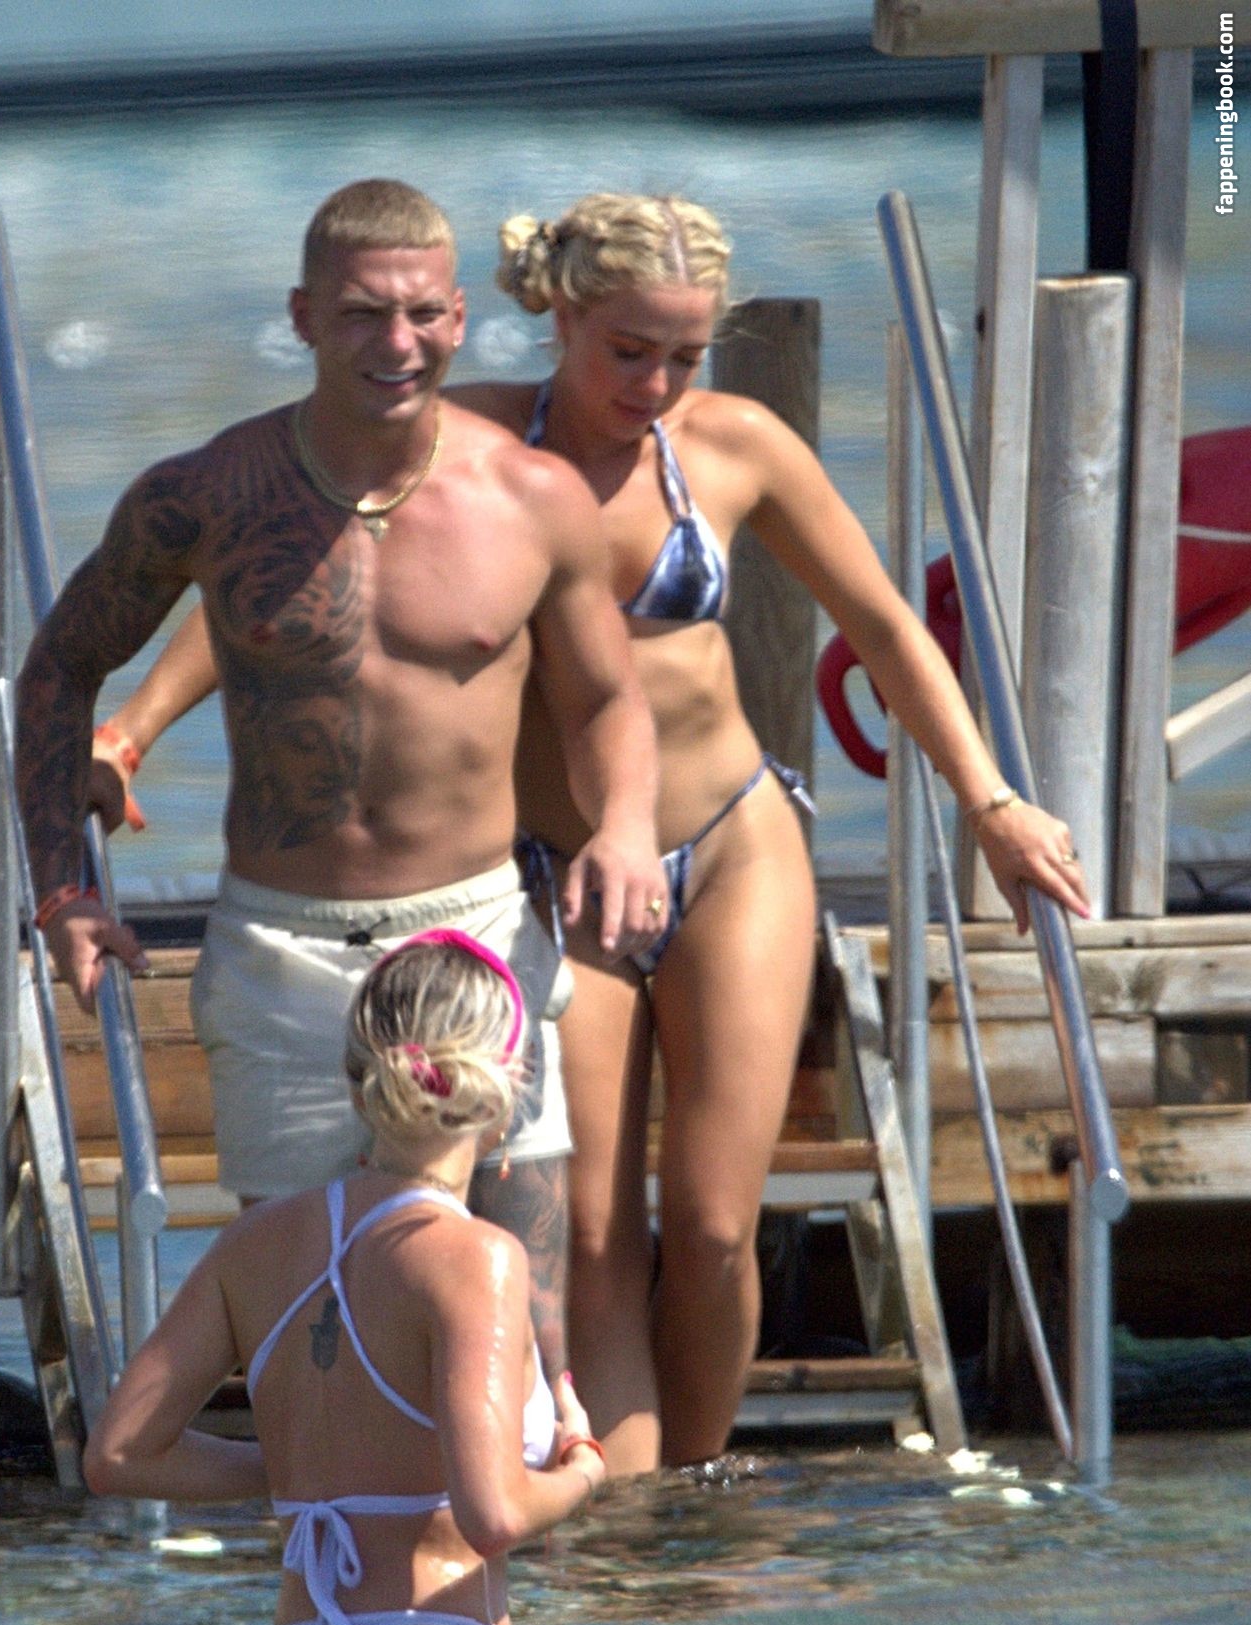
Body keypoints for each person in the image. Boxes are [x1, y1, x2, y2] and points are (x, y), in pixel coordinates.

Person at [89, 191, 1092, 1474]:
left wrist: (991, 803)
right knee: (598, 1232)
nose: (655, 384)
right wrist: (132, 730)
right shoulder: (464, 442)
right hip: (558, 879)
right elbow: (285, 585)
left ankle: (692, 1496)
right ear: (558, 318)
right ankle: (613, 1519)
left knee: (716, 1225)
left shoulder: (735, 444)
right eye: (627, 350)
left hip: (726, 845)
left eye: (684, 354)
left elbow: (886, 628)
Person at [15, 180, 666, 1396]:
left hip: (475, 937)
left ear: (460, 317)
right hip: (284, 951)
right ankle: (322, 1527)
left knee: (526, 1338)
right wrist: (62, 890)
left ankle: (524, 1528)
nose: (396, 343)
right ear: (304, 317)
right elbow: (58, 669)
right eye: (364, 314)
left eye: (421, 314)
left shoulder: (532, 499)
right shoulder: (208, 496)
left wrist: (626, 825)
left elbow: (605, 701)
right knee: (305, 1344)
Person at [85, 932, 608, 1625]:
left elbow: (119, 1456)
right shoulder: (478, 1258)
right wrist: (583, 1471)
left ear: (358, 1082)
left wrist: (294, 1467)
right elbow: (492, 1514)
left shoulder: (254, 1243)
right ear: (504, 1095)